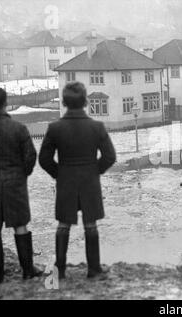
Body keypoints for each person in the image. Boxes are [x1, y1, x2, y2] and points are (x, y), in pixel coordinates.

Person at [39, 82, 116, 279]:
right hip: (90, 182)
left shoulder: (55, 128)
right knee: (91, 225)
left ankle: (59, 271)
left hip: (66, 182)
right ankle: (94, 270)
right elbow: (110, 157)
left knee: (63, 225)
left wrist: (61, 174)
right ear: (85, 102)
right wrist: (93, 171)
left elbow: (44, 160)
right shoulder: (96, 127)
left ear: (64, 102)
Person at [0, 87, 43, 286]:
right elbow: (31, 155)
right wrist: (23, 173)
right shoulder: (19, 128)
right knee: (20, 225)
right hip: (15, 182)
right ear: (6, 103)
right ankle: (28, 270)